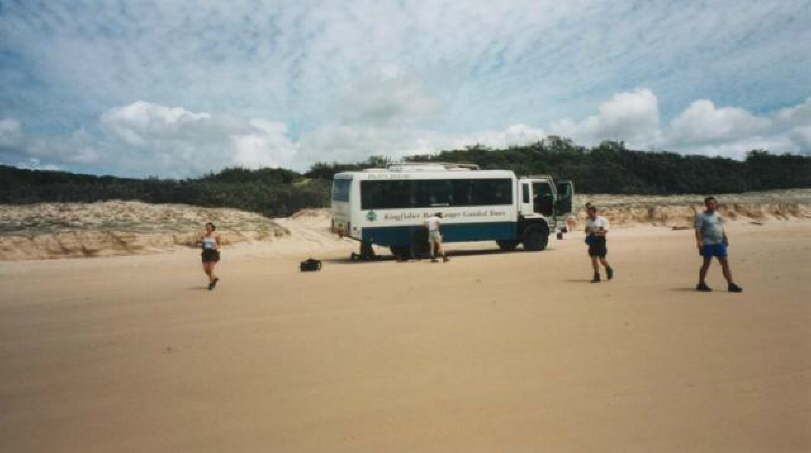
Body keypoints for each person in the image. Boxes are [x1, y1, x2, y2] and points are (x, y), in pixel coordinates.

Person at [695, 197, 743, 292]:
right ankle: (701, 283)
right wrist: (699, 241)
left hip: (719, 242)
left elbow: (720, 226)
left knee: (725, 262)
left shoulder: (717, 214)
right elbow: (698, 230)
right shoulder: (701, 216)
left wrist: (724, 237)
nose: (711, 205)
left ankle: (731, 284)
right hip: (708, 243)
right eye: (709, 204)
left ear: (716, 204)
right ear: (706, 205)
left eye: (713, 203)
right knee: (706, 264)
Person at [585, 205, 614, 283]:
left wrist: (594, 231)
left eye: (590, 212)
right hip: (592, 241)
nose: (589, 214)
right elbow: (587, 231)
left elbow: (605, 231)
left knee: (602, 260)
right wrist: (587, 236)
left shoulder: (602, 220)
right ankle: (597, 276)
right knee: (594, 259)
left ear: (595, 212)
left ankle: (608, 268)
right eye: (588, 213)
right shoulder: (588, 221)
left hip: (600, 241)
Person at [199, 222, 221, 290]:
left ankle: (211, 284)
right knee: (206, 270)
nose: (208, 228)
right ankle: (214, 278)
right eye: (206, 227)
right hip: (205, 253)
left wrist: (216, 247)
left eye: (209, 227)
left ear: (212, 227)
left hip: (213, 253)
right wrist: (200, 244)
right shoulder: (204, 235)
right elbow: (202, 245)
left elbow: (219, 244)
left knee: (211, 269)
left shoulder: (216, 235)